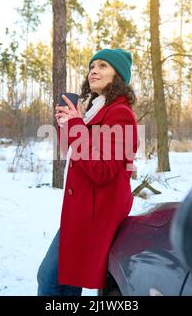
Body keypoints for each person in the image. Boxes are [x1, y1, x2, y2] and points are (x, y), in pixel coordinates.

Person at [37, 48, 139, 296]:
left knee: (51, 280)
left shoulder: (120, 114)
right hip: (83, 210)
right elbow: (79, 154)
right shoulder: (97, 110)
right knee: (64, 281)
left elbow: (102, 170)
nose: (94, 70)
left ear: (118, 76)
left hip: (96, 214)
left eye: (103, 65)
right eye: (92, 66)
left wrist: (75, 125)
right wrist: (69, 124)